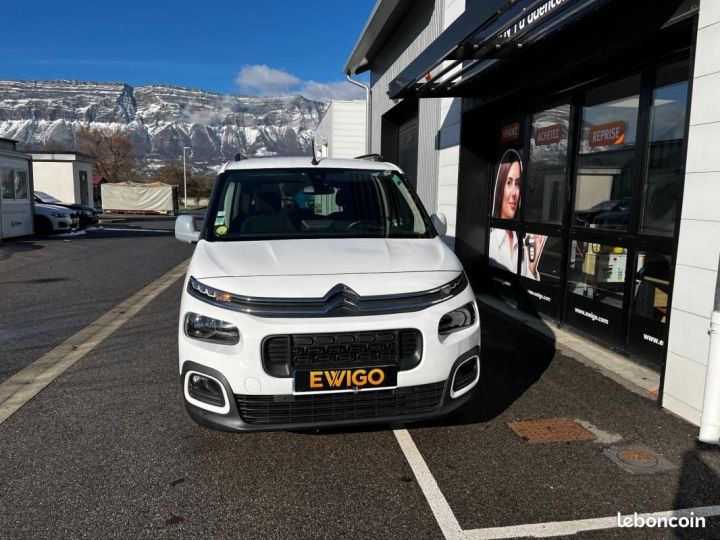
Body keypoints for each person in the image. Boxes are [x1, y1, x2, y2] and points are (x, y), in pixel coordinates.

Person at [488, 149, 544, 280]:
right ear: (500, 187)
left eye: (518, 184)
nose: (514, 192)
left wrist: (532, 268)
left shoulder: (521, 242)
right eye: (509, 182)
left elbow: (526, 290)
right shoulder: (491, 242)